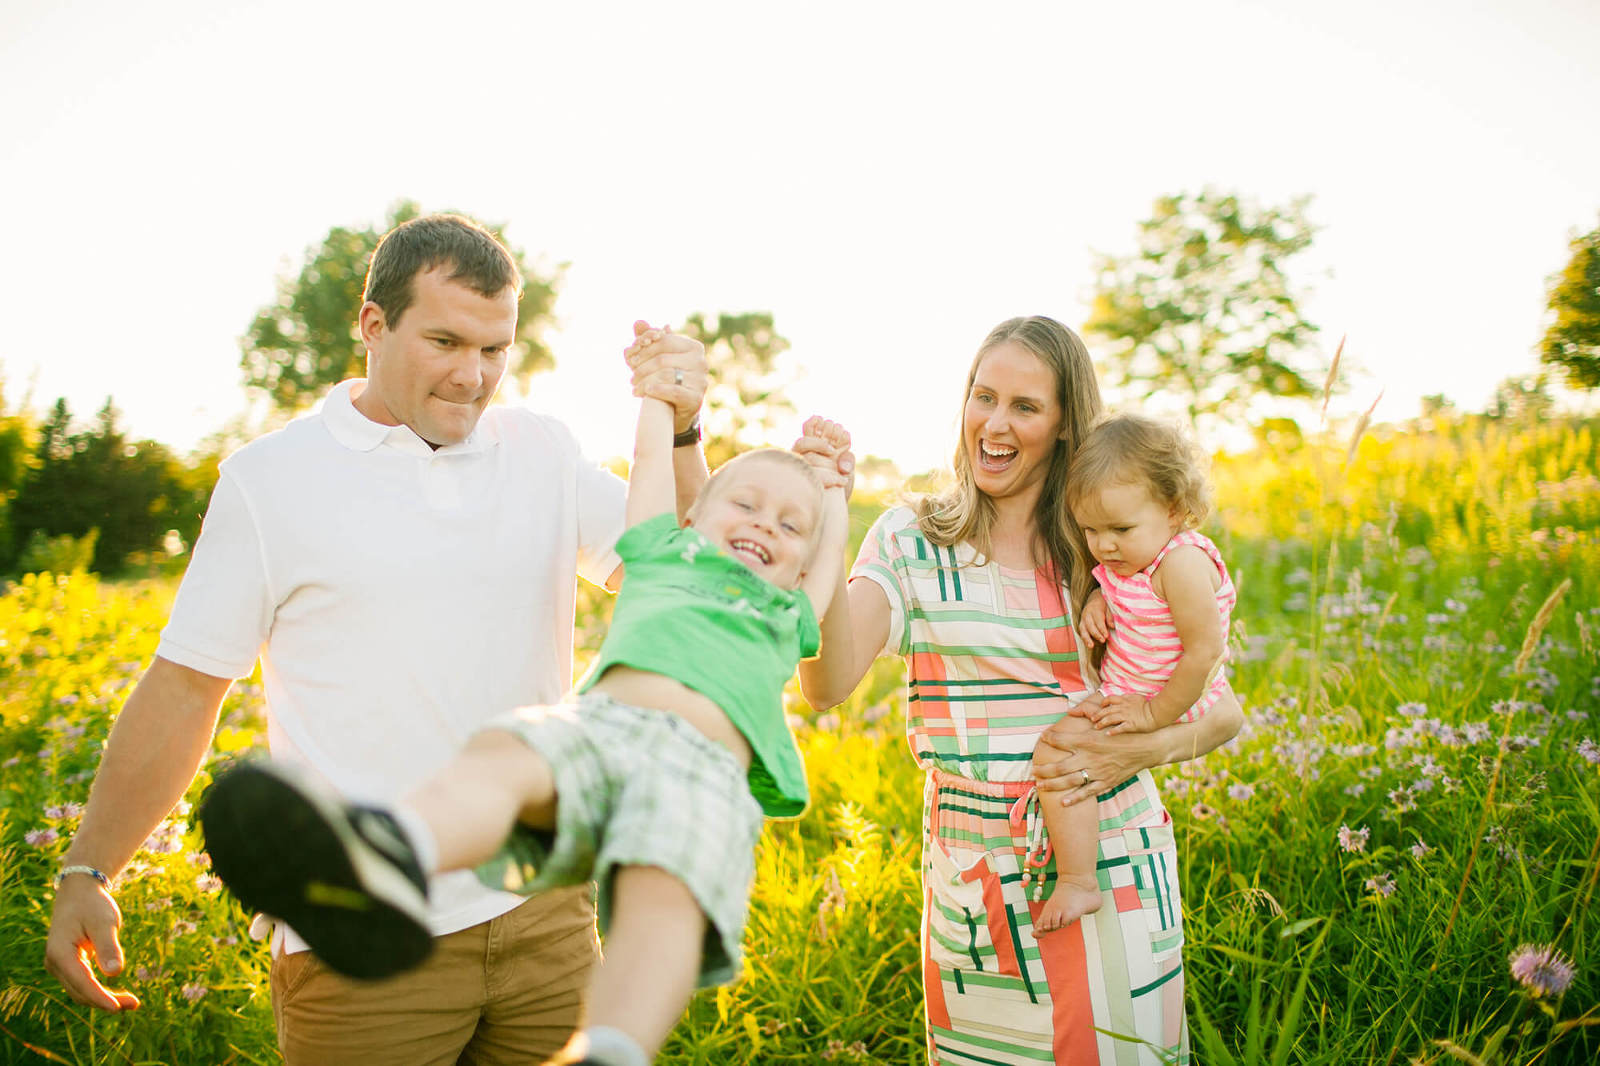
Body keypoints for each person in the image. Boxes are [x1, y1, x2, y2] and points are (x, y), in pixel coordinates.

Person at [43, 214, 713, 1065]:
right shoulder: (270, 480)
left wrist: (681, 430)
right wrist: (89, 868)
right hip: (363, 937)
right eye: (445, 341)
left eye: (495, 349)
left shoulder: (541, 449)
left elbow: (688, 574)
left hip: (548, 913)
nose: (474, 376)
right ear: (371, 324)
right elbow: (185, 686)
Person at [198, 394, 853, 1066]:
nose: (765, 526)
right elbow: (652, 461)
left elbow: (832, 552)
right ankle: (393, 850)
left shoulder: (791, 611)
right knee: (504, 753)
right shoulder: (664, 554)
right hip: (603, 731)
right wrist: (657, 399)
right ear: (692, 519)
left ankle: (611, 1048)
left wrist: (832, 489)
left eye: (789, 525)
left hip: (703, 779)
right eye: (745, 505)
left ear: (802, 565)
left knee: (665, 905)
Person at [797, 316, 1244, 1065]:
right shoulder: (914, 539)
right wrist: (826, 524)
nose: (995, 424)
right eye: (983, 397)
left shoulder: (1113, 546)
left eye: (1025, 407)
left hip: (1110, 864)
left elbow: (1223, 709)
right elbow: (827, 682)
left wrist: (1128, 755)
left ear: (1068, 426)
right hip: (973, 878)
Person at [1030, 413, 1237, 935]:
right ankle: (1078, 875)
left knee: (1055, 753)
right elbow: (1125, 593)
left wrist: (1151, 715)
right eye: (1091, 530)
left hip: (1170, 696)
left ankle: (1078, 880)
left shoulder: (1181, 564)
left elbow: (1205, 651)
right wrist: (1098, 601)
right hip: (1136, 692)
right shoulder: (1131, 561)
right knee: (1057, 752)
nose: (1103, 545)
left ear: (1174, 510)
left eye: (1120, 529)